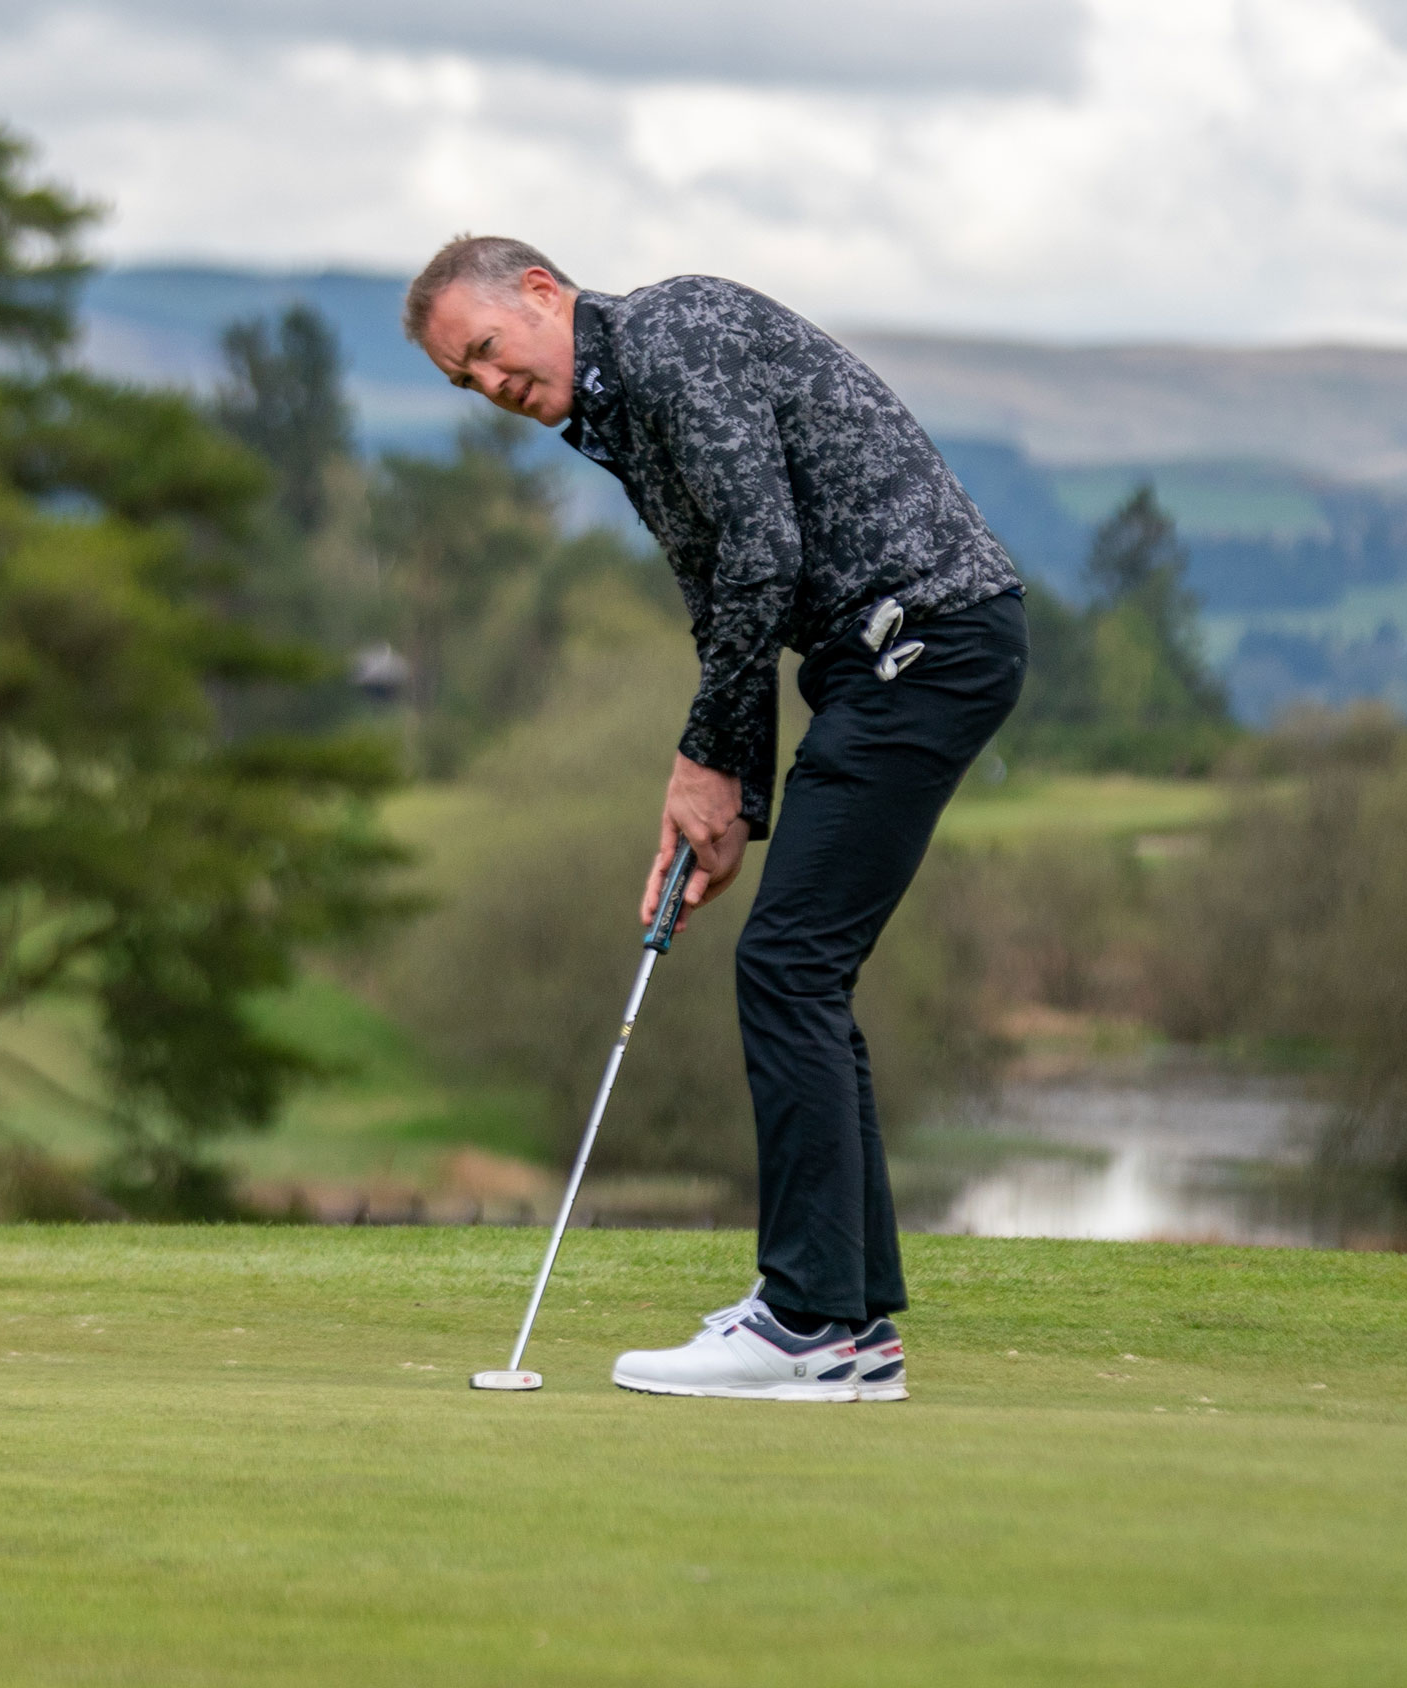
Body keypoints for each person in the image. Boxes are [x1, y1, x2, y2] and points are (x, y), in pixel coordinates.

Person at [406, 235, 1026, 1403]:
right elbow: (723, 598)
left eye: (486, 351)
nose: (489, 388)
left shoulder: (674, 337)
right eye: (463, 381)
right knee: (805, 969)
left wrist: (702, 759)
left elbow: (764, 555)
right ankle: (848, 1323)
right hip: (885, 663)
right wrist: (731, 791)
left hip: (923, 645)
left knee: (789, 966)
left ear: (542, 292)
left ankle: (803, 1322)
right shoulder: (623, 408)